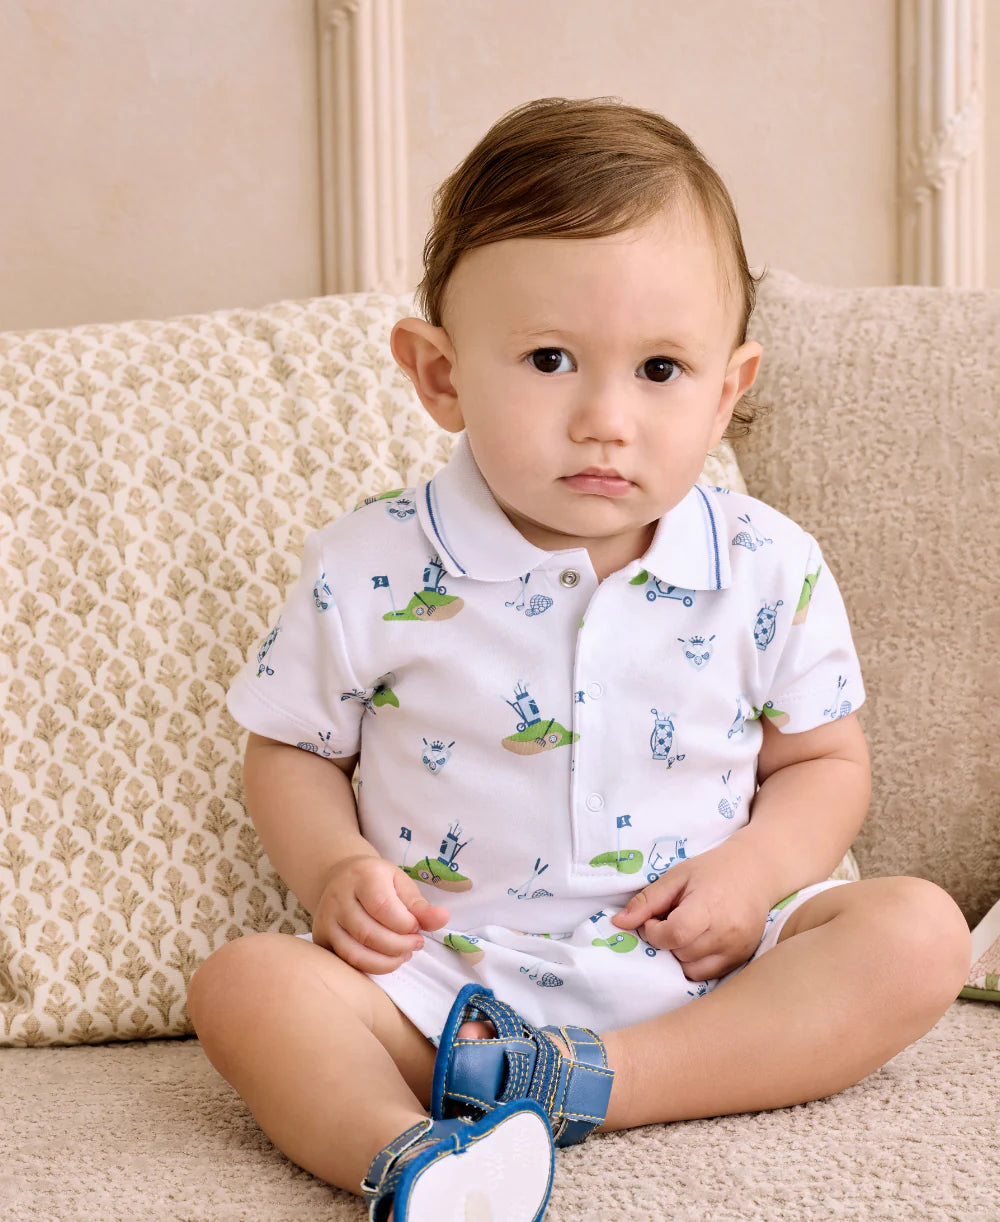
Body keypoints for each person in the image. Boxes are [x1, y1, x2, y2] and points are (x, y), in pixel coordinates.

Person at [187, 98, 972, 1221]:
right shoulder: (370, 564)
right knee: (243, 986)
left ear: (728, 391)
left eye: (659, 369)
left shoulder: (765, 564)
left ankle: (592, 1086)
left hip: (703, 985)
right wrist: (327, 871)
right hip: (443, 993)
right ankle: (411, 1153)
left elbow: (824, 764)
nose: (606, 417)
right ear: (440, 374)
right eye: (550, 358)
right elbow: (291, 751)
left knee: (915, 933)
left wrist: (750, 880)